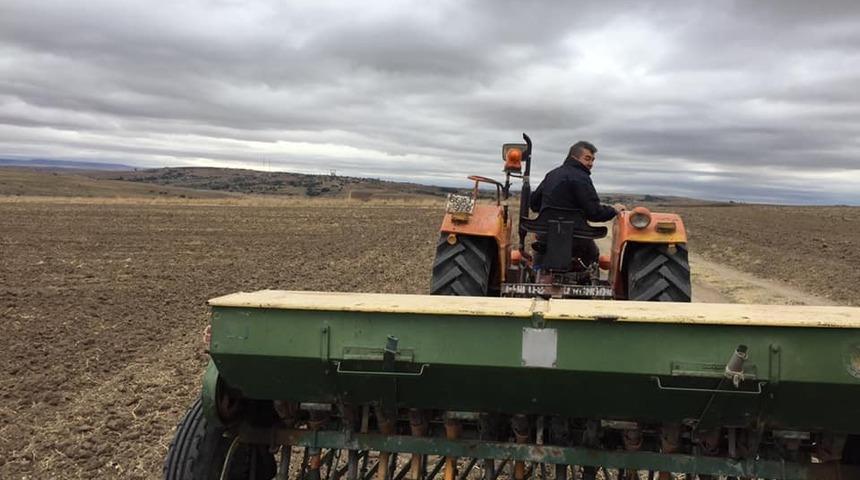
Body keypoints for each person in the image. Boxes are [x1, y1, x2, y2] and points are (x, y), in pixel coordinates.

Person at [529, 140, 626, 265]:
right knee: (593, 255)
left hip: (546, 235)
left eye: (593, 160)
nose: (591, 164)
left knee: (540, 254)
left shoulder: (551, 174)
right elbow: (595, 213)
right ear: (574, 157)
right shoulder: (582, 178)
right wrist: (614, 210)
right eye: (587, 158)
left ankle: (537, 271)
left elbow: (534, 204)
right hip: (577, 238)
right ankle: (589, 274)